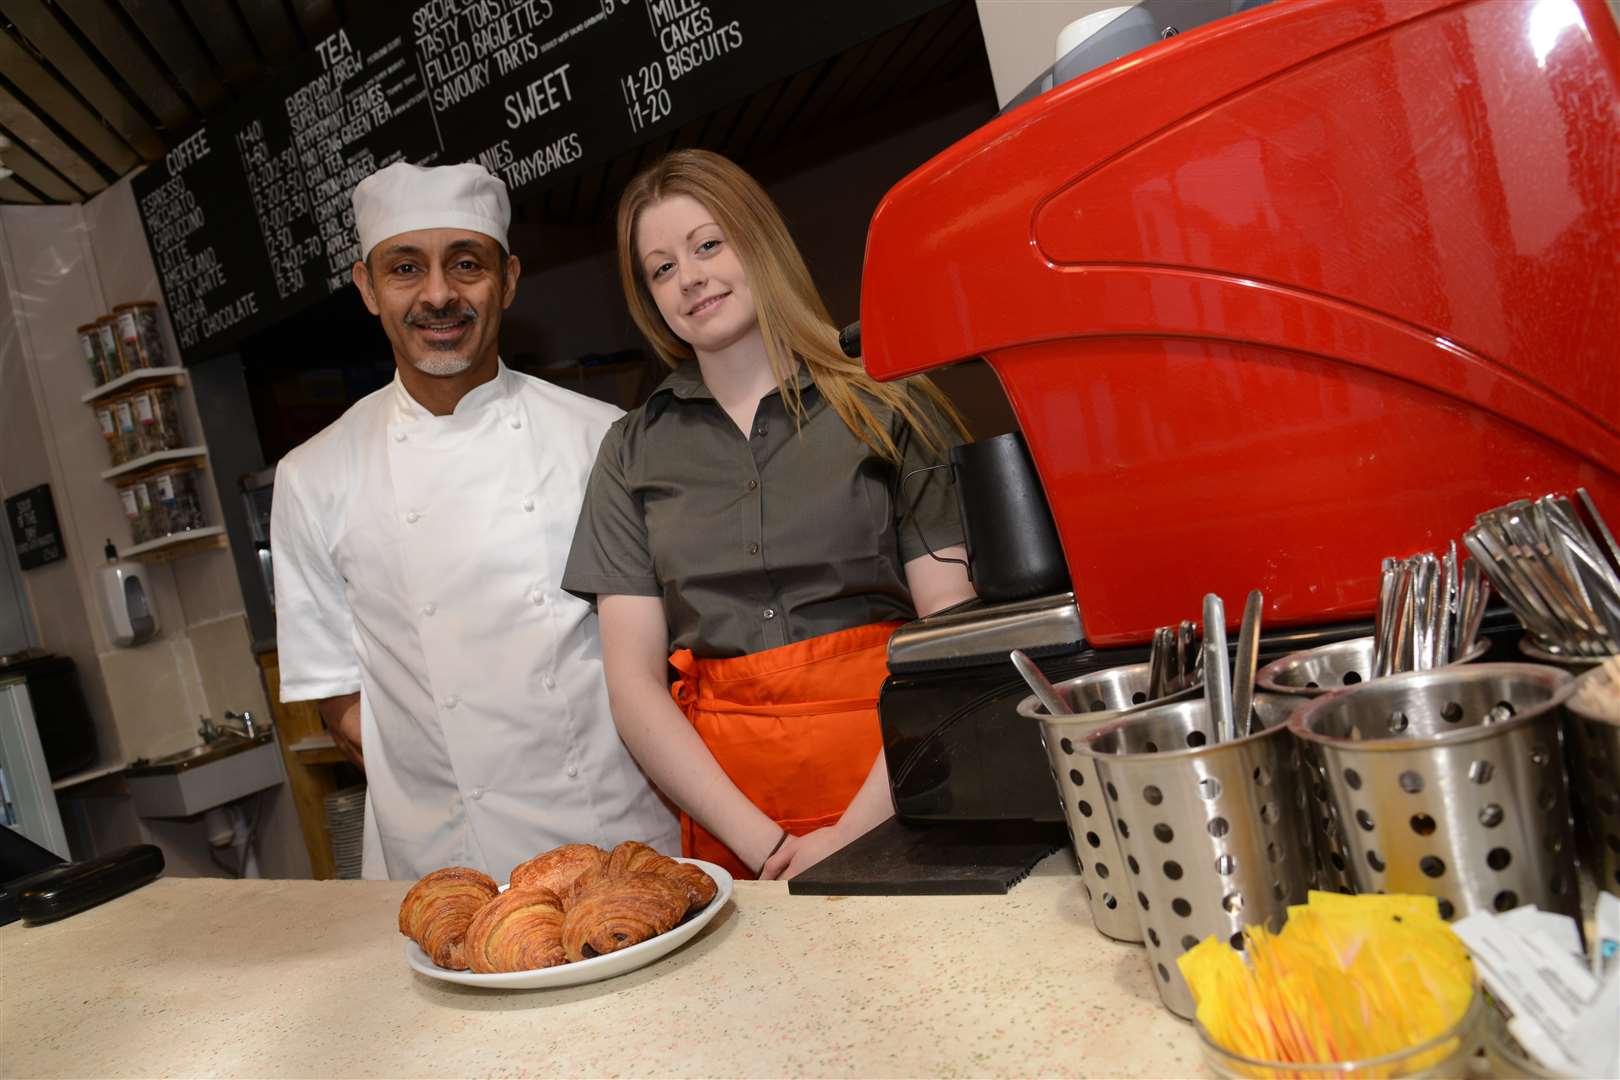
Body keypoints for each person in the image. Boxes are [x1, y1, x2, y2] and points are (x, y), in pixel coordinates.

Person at [563, 150, 976, 881]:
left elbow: (953, 635)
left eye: (707, 245)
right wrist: (769, 849)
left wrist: (855, 832)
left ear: (759, 242)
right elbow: (632, 687)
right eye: (661, 269)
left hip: (907, 783)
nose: (688, 278)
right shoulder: (629, 452)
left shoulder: (891, 405)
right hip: (737, 831)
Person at [272, 162, 677, 881]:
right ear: (367, 288)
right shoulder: (313, 476)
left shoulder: (603, 440)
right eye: (405, 268)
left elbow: (668, 655)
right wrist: (444, 784)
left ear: (509, 280)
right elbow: (336, 698)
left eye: (466, 264)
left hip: (614, 832)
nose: (438, 295)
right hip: (448, 858)